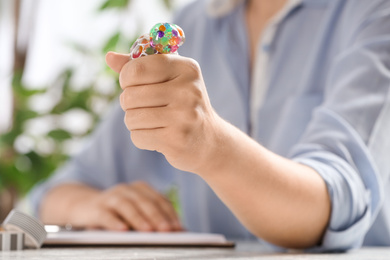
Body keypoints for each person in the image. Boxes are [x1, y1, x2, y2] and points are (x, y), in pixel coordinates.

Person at [29, 0, 390, 252]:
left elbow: (331, 209)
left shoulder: (373, 13)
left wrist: (211, 145)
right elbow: (54, 196)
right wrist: (92, 207)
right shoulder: (196, 23)